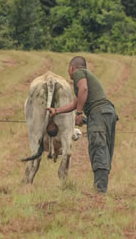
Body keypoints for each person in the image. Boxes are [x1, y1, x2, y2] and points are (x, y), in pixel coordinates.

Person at [46, 56, 117, 193]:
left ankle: (100, 191)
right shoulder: (87, 76)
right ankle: (101, 187)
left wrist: (79, 114)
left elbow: (83, 89)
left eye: (68, 69)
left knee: (98, 148)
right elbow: (76, 103)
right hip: (108, 113)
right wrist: (56, 111)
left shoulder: (79, 73)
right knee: (105, 149)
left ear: (72, 68)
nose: (69, 72)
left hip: (99, 114)